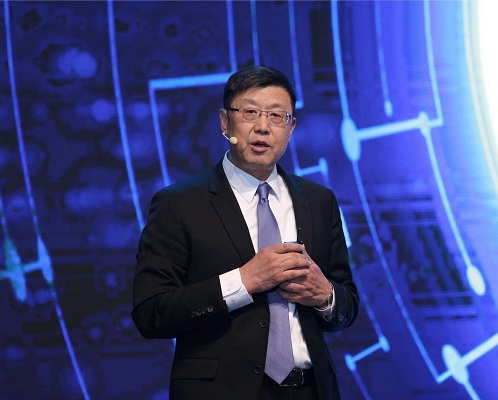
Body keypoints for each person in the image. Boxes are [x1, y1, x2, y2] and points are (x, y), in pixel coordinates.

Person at [132, 65, 359, 400]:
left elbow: (347, 305)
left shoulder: (318, 201)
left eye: (277, 115)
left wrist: (325, 295)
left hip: (311, 391)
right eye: (250, 112)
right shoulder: (179, 204)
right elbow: (152, 313)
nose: (263, 127)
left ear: (291, 127)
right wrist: (244, 281)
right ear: (225, 122)